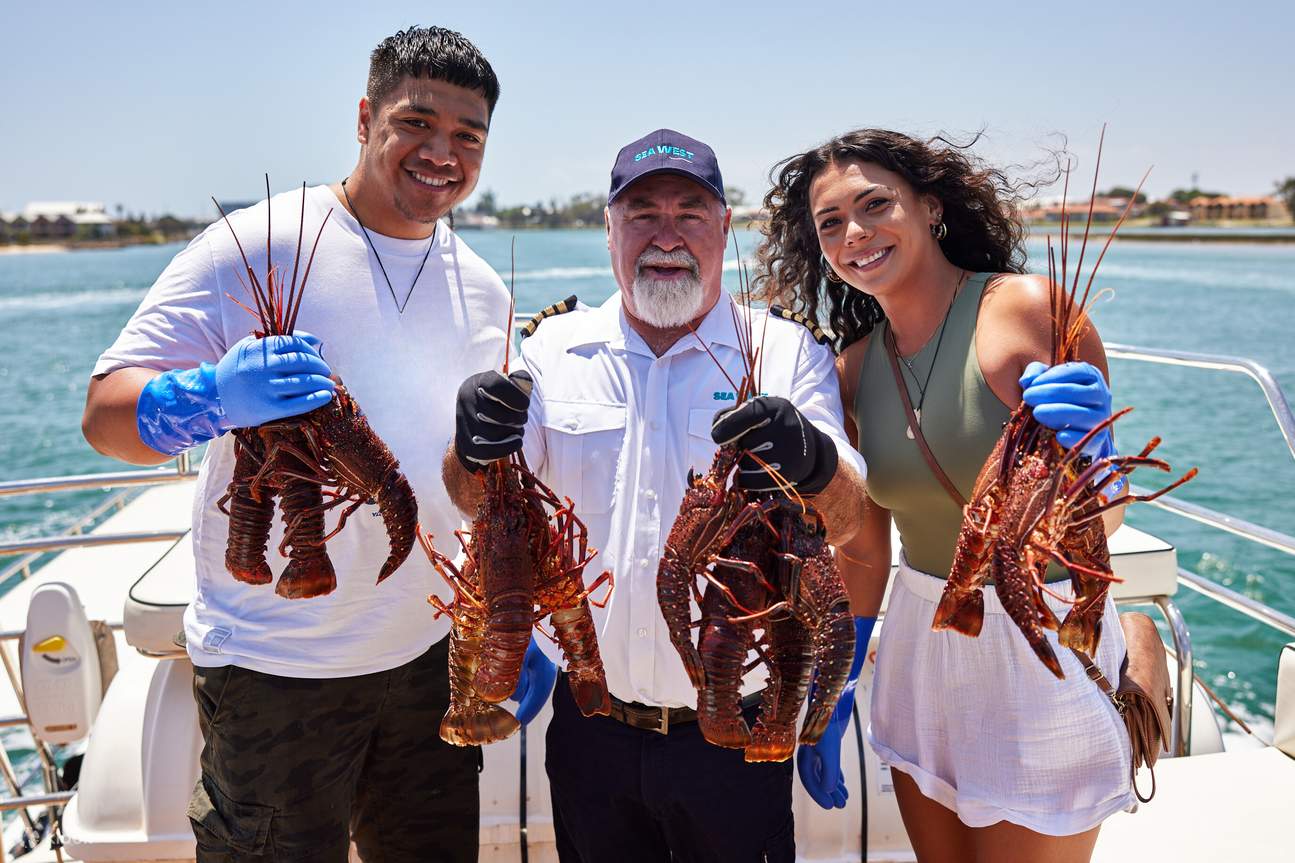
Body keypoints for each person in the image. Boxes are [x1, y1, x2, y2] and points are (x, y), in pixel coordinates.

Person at [82, 26, 509, 863]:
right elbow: (105, 415)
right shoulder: (256, 243)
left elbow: (465, 488)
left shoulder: (484, 289)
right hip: (275, 669)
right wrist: (205, 396)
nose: (441, 152)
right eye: (415, 122)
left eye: (467, 136)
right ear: (364, 117)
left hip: (429, 659)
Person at [443, 129, 871, 862]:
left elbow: (848, 513)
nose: (664, 235)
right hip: (590, 727)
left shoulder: (786, 350)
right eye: (641, 213)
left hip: (739, 732)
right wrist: (471, 445)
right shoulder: (551, 348)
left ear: (724, 227)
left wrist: (810, 457)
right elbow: (476, 501)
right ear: (608, 228)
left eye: (689, 213)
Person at [757, 128, 1133, 863]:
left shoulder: (1025, 308)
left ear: (930, 208)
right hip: (918, 646)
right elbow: (864, 546)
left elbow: (1100, 525)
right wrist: (838, 680)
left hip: (1040, 641)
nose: (854, 234)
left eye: (874, 205)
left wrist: (1098, 459)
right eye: (829, 223)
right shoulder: (852, 367)